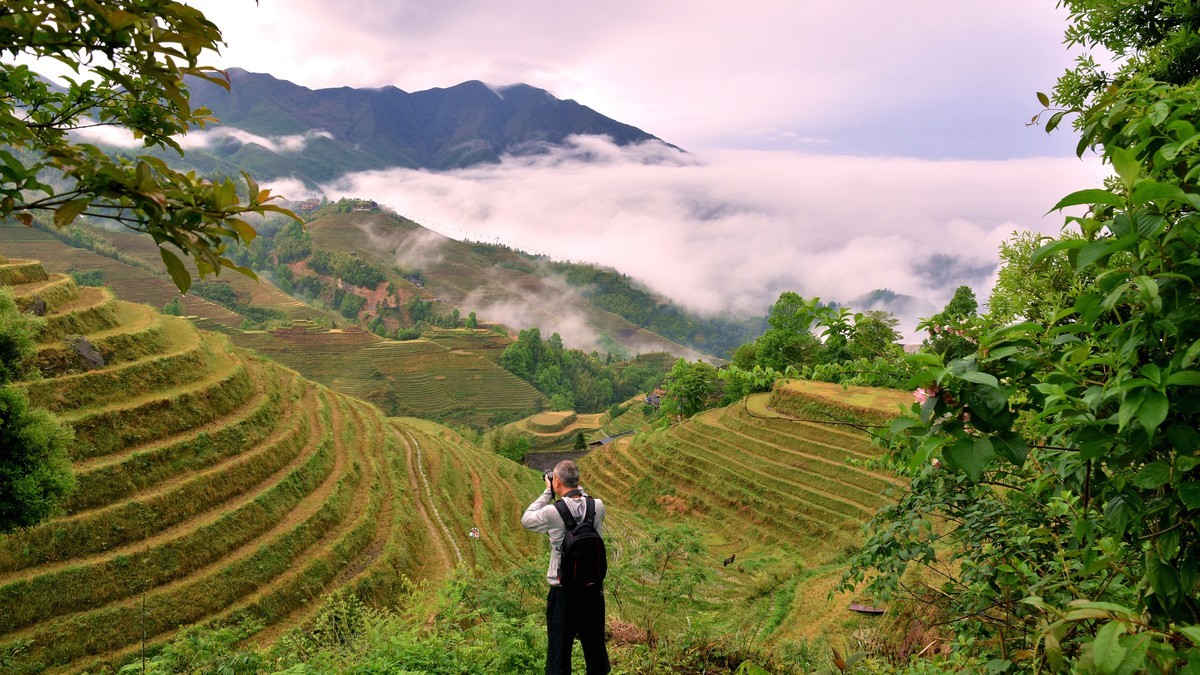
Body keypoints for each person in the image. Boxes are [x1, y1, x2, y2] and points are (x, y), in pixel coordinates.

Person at [521, 460, 610, 675]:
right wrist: (573, 486)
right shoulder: (598, 506)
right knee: (595, 650)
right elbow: (583, 499)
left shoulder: (552, 512)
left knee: (559, 654)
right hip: (592, 590)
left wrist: (548, 491)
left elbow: (526, 519)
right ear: (578, 481)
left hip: (563, 592)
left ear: (557, 482)